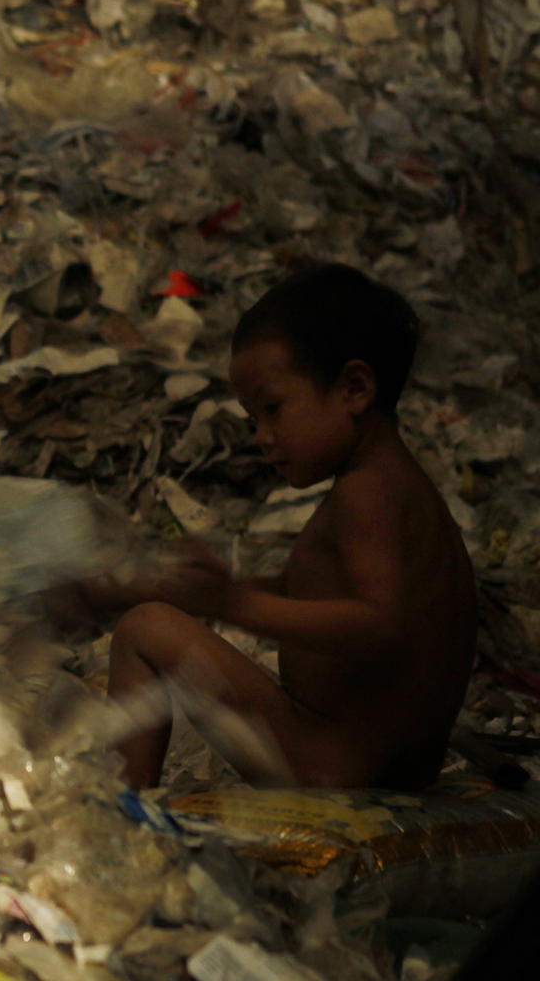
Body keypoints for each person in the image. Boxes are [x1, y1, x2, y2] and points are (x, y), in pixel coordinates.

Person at [106, 263, 476, 790]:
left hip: (329, 766)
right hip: (382, 768)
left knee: (144, 629)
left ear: (354, 388)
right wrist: (214, 593)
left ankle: (122, 808)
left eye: (273, 409)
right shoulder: (395, 485)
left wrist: (233, 604)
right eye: (253, 418)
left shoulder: (368, 492)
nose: (262, 436)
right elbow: (310, 592)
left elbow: (379, 623)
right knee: (157, 611)